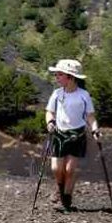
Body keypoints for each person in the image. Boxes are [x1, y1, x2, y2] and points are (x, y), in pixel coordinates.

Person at [44, 59, 99, 211]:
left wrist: (95, 129)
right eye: (56, 74)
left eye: (59, 74)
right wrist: (50, 122)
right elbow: (49, 111)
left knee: (69, 170)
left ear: (70, 77)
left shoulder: (84, 95)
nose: (56, 77)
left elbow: (90, 116)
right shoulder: (57, 94)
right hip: (59, 134)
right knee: (56, 168)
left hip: (78, 135)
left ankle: (66, 198)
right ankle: (60, 189)